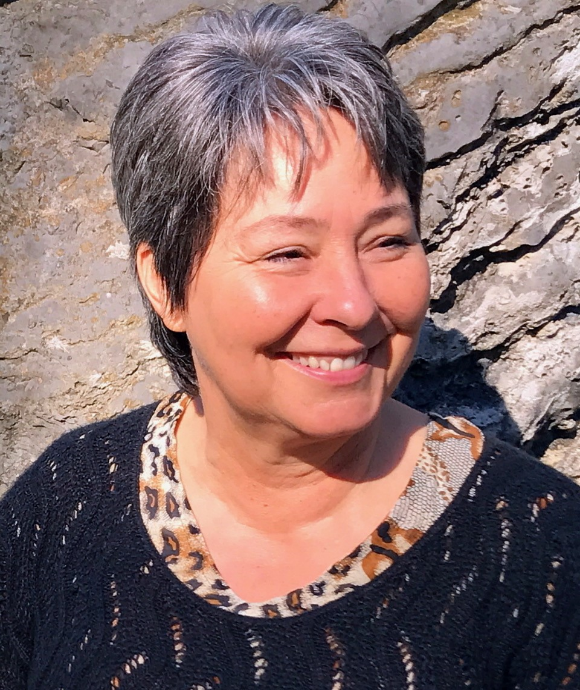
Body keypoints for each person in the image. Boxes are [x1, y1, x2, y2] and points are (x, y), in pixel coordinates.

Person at [1, 4, 579, 688]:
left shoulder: (540, 552)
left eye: (388, 240)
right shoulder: (64, 506)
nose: (353, 303)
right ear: (165, 283)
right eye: (287, 252)